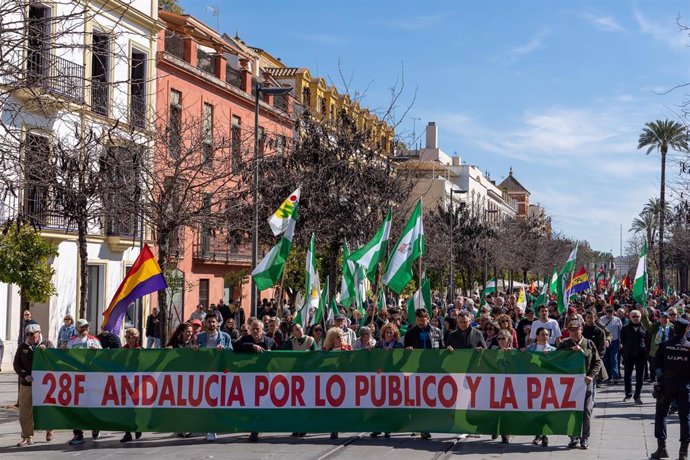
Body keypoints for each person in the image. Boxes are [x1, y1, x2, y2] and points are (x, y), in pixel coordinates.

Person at [557, 320, 602, 450]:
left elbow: (597, 362)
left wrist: (591, 376)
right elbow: (556, 358)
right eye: (571, 330)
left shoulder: (589, 343)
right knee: (570, 411)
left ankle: (585, 438)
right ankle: (573, 436)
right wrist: (571, 350)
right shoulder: (565, 344)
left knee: (586, 410)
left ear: (581, 329)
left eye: (577, 329)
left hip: (585, 381)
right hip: (569, 383)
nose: (574, 332)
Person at [650, 318, 689, 460]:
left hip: (667, 383)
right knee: (685, 417)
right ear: (686, 330)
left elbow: (656, 365)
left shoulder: (665, 345)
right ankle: (683, 452)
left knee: (661, 414)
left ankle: (662, 448)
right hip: (685, 385)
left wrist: (661, 377)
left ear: (673, 330)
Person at [405, 309, 443, 440]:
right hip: (417, 370)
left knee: (432, 399)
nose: (421, 322)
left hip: (433, 370)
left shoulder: (437, 332)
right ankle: (423, 427)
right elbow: (404, 353)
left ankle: (430, 424)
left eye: (423, 319)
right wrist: (407, 350)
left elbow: (442, 349)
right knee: (420, 399)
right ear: (415, 319)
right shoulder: (409, 333)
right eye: (419, 320)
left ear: (428, 318)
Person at [13, 323, 54, 447]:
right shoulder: (22, 347)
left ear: (39, 333)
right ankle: (27, 437)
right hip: (27, 383)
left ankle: (49, 430)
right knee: (25, 411)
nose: (30, 336)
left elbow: (55, 361)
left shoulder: (47, 344)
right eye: (28, 334)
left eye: (32, 334)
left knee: (47, 408)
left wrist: (46, 352)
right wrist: (24, 375)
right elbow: (16, 364)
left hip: (45, 384)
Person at [235, 320, 276, 442]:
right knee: (250, 402)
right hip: (248, 377)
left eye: (258, 328)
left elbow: (279, 354)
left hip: (264, 378)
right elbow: (235, 347)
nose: (255, 331)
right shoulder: (244, 339)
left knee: (262, 403)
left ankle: (258, 427)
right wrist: (252, 346)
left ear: (262, 329)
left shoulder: (269, 341)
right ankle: (253, 428)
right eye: (253, 328)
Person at [194, 313, 232, 442]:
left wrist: (225, 349)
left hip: (220, 373)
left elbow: (231, 353)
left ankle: (214, 427)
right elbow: (196, 354)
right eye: (209, 321)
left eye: (213, 322)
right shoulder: (199, 337)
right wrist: (194, 349)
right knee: (207, 401)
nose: (211, 324)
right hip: (205, 373)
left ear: (217, 323)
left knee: (217, 400)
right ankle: (209, 427)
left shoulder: (225, 337)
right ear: (205, 323)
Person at [67, 319, 102, 445]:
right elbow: (67, 359)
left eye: (87, 326)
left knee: (92, 404)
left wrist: (96, 354)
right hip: (76, 379)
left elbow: (103, 359)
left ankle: (95, 425)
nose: (85, 328)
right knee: (76, 406)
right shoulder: (72, 342)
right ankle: (78, 434)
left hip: (91, 378)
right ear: (78, 328)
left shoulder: (94, 341)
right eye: (83, 326)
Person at [526, 327, 555, 447]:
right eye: (542, 334)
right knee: (535, 410)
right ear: (537, 336)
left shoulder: (553, 349)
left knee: (545, 410)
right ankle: (537, 434)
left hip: (546, 383)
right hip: (532, 383)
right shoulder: (530, 348)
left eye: (547, 335)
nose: (545, 337)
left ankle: (545, 435)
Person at [620, 309, 648, 404]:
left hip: (641, 355)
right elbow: (622, 340)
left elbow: (647, 341)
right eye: (633, 316)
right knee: (627, 376)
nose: (636, 318)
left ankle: (637, 396)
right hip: (629, 354)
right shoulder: (625, 328)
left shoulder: (644, 328)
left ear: (640, 317)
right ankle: (628, 394)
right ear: (630, 317)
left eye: (637, 316)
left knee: (640, 377)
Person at [119, 328, 142, 443]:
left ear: (136, 338)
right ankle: (127, 432)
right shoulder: (123, 350)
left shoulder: (140, 350)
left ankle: (137, 427)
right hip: (126, 382)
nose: (127, 339)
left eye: (129, 337)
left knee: (135, 407)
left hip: (137, 382)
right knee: (125, 408)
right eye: (126, 337)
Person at [601, 306, 623, 384]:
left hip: (615, 341)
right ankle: (608, 376)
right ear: (605, 312)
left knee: (614, 359)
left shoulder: (617, 320)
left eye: (611, 312)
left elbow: (620, 331)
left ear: (613, 312)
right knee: (606, 359)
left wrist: (620, 342)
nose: (609, 313)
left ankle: (615, 377)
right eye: (608, 312)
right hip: (605, 342)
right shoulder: (602, 319)